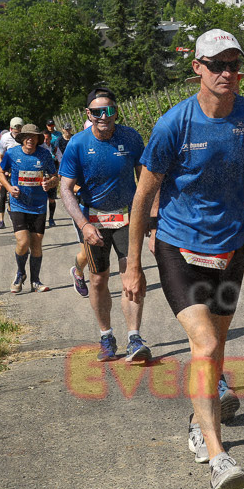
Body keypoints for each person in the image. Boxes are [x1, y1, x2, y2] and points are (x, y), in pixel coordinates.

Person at [126, 28, 244, 489]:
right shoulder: (173, 124)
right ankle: (218, 456)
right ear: (197, 67)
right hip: (177, 247)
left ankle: (199, 423)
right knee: (205, 347)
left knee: (215, 350)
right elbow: (142, 197)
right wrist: (133, 264)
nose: (227, 73)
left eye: (234, 64)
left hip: (230, 249)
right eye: (217, 65)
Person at [60, 87, 151, 362]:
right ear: (88, 114)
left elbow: (145, 180)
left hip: (126, 217)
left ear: (116, 111)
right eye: (98, 112)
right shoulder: (77, 144)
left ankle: (134, 338)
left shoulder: (131, 138)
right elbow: (65, 189)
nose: (104, 116)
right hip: (92, 220)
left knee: (132, 274)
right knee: (98, 280)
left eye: (109, 110)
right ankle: (106, 336)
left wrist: (150, 217)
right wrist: (83, 224)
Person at [0, 123, 59, 293]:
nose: (30, 139)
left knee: (37, 244)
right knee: (23, 242)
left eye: (34, 137)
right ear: (22, 138)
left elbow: (55, 176)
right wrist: (9, 188)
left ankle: (36, 281)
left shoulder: (44, 155)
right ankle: (20, 273)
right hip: (18, 204)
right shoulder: (12, 154)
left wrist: (49, 183)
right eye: (27, 136)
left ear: (38, 139)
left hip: (38, 205)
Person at [0, 118, 24, 229]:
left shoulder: (25, 138)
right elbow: (0, 157)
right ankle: (1, 220)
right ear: (10, 129)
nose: (17, 135)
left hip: (20, 172)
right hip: (6, 170)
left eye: (20, 132)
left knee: (18, 195)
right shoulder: (5, 138)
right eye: (16, 132)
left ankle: (16, 217)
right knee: (3, 195)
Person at [42, 127, 63, 226]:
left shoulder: (54, 148)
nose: (45, 141)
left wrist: (59, 172)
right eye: (44, 139)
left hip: (52, 176)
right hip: (41, 176)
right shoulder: (40, 149)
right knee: (41, 199)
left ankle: (51, 218)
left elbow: (60, 159)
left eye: (47, 139)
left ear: (50, 138)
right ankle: (41, 219)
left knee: (52, 199)